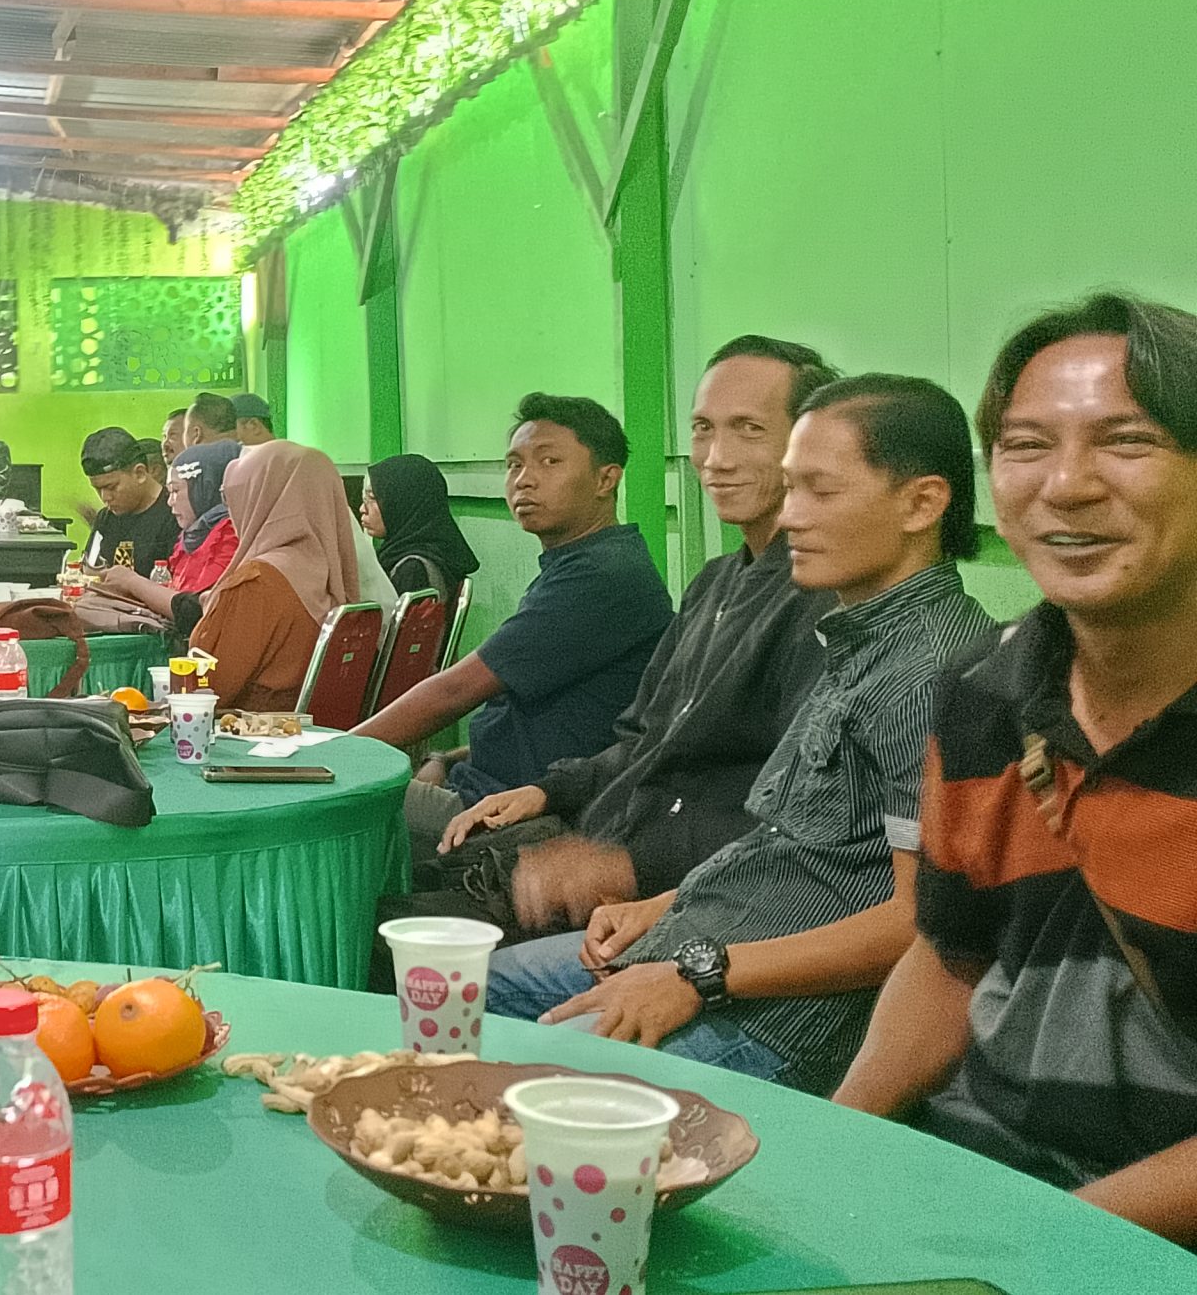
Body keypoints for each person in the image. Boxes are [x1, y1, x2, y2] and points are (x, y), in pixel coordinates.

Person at [485, 375, 993, 1094]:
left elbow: (923, 926)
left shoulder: (929, 670)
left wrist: (698, 974)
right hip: (705, 933)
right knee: (464, 986)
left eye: (820, 491)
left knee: (533, 1096)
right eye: (791, 488)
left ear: (922, 503)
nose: (791, 516)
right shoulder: (856, 635)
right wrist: (663, 906)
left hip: (767, 1014)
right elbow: (791, 839)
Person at [835, 295, 1197, 1239]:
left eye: (1126, 441)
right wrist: (831, 1149)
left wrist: (1038, 1245)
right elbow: (951, 956)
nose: (1066, 486)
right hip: (978, 1165)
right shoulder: (983, 692)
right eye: (1026, 446)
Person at [416, 339, 840, 934]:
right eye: (703, 429)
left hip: (688, 898)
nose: (716, 458)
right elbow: (644, 736)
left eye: (749, 429)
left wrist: (625, 866)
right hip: (601, 836)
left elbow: (795, 809)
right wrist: (550, 790)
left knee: (393, 939)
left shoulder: (827, 603)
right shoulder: (715, 583)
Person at [355, 394, 673, 824]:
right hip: (477, 782)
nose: (524, 480)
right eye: (514, 464)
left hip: (512, 812)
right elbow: (531, 721)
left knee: (328, 808)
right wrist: (446, 758)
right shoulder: (581, 560)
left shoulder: (602, 575)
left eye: (549, 462)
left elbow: (456, 690)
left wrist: (338, 753)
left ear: (605, 480)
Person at [189, 442, 363, 711]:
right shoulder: (329, 569)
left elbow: (207, 690)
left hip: (250, 729)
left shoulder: (257, 582)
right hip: (314, 728)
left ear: (260, 499)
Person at [90, 438, 242, 646]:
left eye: (176, 491)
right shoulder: (192, 537)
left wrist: (131, 582)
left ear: (205, 488)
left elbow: (197, 611)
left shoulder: (229, 536)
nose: (170, 501)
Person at [358, 453, 481, 603]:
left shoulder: (413, 570)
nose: (362, 509)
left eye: (372, 498)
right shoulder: (440, 552)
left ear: (403, 502)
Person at [77, 427, 178, 573]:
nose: (105, 497)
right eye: (98, 489)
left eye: (111, 487)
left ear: (140, 473)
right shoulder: (105, 519)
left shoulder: (175, 515)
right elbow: (89, 570)